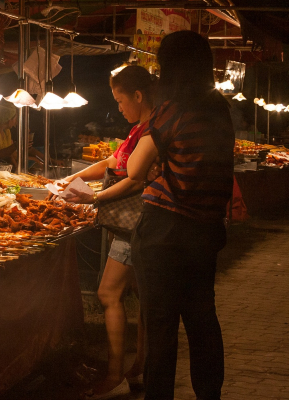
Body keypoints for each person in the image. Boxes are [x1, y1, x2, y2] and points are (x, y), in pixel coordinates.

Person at [127, 31, 233, 400]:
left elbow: (135, 169)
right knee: (203, 323)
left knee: (161, 331)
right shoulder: (219, 107)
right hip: (205, 233)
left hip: (165, 233)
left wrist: (157, 168)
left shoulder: (172, 108)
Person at [62, 65, 155, 400]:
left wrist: (95, 197)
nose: (118, 107)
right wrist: (70, 182)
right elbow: (111, 162)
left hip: (136, 225)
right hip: (134, 226)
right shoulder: (137, 131)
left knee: (107, 294)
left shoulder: (151, 132)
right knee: (142, 301)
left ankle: (115, 375)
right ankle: (140, 369)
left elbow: (134, 178)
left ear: (138, 96)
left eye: (120, 100)